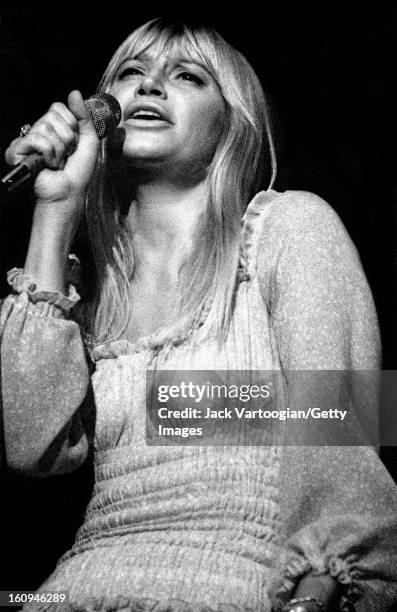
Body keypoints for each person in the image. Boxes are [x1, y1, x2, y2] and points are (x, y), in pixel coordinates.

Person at [1, 17, 397, 612]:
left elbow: (338, 414)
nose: (150, 86)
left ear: (231, 124)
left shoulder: (289, 230)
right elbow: (32, 450)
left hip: (236, 587)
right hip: (69, 593)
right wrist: (54, 212)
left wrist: (327, 584)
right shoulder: (88, 289)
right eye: (131, 73)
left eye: (187, 76)